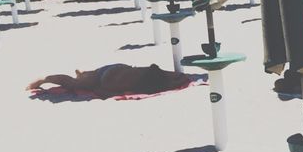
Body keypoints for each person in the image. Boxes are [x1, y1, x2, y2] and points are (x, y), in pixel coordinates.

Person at [28, 64, 192, 99]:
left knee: (82, 80)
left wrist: (179, 78)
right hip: (110, 81)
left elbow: (179, 76)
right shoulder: (153, 85)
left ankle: (84, 73)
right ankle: (45, 79)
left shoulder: (154, 71)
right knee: (75, 84)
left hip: (115, 69)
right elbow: (102, 93)